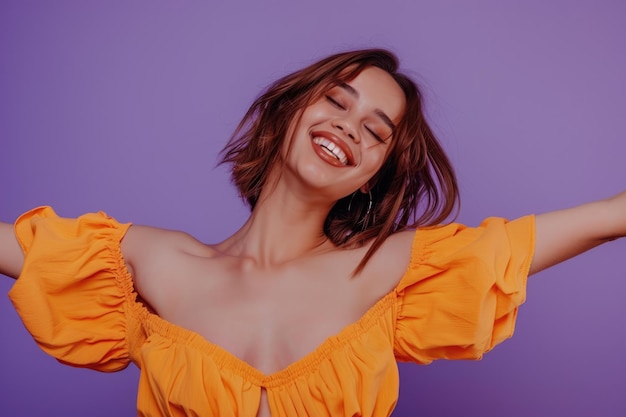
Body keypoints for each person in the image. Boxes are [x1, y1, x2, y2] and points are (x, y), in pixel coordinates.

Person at [0, 49, 624, 417]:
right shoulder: (157, 262)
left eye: (377, 132)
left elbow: (604, 217)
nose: (351, 127)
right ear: (288, 109)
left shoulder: (387, 269)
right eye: (336, 100)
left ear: (374, 173)